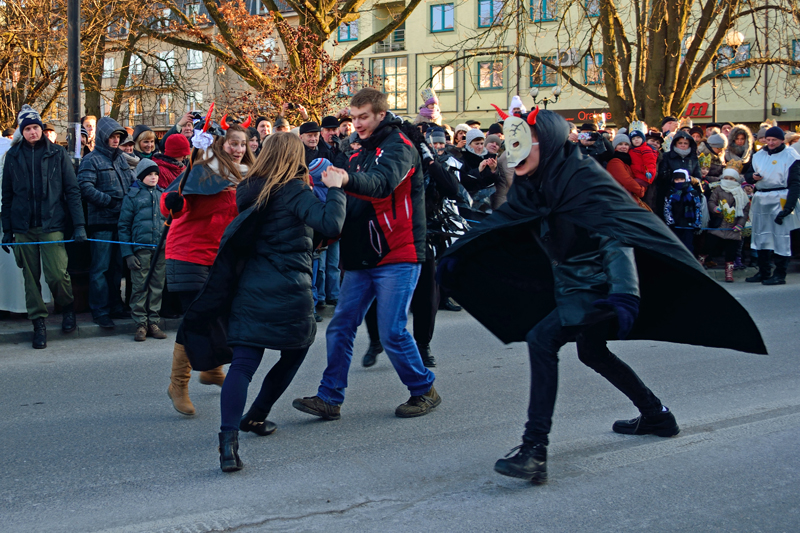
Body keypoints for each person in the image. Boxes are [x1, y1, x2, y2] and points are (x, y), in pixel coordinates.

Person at [436, 106, 766, 485]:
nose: (514, 153)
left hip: (599, 283)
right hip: (573, 279)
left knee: (542, 339)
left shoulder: (581, 177)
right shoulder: (539, 178)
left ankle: (534, 450)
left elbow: (615, 234)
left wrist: (625, 293)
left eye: (524, 144)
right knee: (591, 350)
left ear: (548, 142)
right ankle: (656, 414)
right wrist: (462, 249)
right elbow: (511, 218)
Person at [174, 132, 345, 472]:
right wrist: (336, 188)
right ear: (295, 157)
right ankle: (256, 416)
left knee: (244, 364)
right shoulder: (295, 190)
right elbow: (331, 223)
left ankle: (228, 443)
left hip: (250, 289)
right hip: (289, 289)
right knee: (295, 350)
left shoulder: (248, 189)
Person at [292, 88, 440, 420]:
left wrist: (344, 179)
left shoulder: (400, 146)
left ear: (380, 115)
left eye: (364, 117)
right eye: (353, 117)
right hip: (360, 254)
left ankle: (423, 389)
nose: (357, 124)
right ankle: (330, 398)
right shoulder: (355, 151)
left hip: (398, 252)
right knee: (341, 326)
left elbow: (380, 183)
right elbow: (350, 204)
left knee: (392, 331)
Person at [163, 123, 255, 416]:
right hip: (187, 253)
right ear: (219, 145)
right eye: (232, 144)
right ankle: (178, 383)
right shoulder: (202, 170)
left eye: (242, 144)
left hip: (218, 257)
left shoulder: (244, 177)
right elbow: (171, 204)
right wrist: (172, 203)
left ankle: (212, 369)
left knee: (217, 313)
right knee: (196, 318)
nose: (238, 149)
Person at [362, 124, 462, 368]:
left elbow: (454, 190)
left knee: (427, 295)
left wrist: (429, 160)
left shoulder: (433, 164)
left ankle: (422, 345)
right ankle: (376, 340)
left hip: (423, 236)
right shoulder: (383, 160)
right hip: (386, 236)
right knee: (375, 292)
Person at [1, 105, 86, 348]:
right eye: (27, 129)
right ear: (22, 131)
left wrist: (79, 225)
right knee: (30, 279)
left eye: (35, 127)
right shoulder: (13, 156)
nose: (32, 132)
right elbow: (7, 195)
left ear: (41, 129)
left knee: (58, 274)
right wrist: (8, 230)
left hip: (52, 225)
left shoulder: (57, 154)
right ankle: (38, 323)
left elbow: (72, 191)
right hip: (23, 228)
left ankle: (67, 307)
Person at [78, 117, 135, 328]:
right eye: (112, 136)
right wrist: (109, 201)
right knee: (100, 268)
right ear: (103, 137)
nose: (116, 140)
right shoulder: (91, 160)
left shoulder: (121, 159)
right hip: (101, 222)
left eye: (118, 136)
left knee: (116, 269)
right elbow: (85, 187)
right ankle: (100, 310)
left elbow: (130, 184)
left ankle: (115, 306)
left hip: (120, 222)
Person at [118, 159, 168, 342]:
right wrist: (128, 253)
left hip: (160, 248)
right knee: (140, 285)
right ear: (140, 176)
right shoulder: (132, 197)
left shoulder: (163, 195)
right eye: (149, 174)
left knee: (157, 285)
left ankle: (153, 321)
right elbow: (123, 226)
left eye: (155, 174)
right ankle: (140, 323)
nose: (153, 177)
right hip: (141, 248)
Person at [744, 126, 800, 285]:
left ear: (782, 140)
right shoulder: (759, 155)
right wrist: (752, 177)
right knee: (761, 236)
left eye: (774, 140)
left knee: (781, 237)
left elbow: (795, 183)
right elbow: (747, 175)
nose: (770, 143)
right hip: (761, 198)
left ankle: (780, 274)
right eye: (768, 140)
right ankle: (763, 271)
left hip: (781, 196)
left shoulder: (791, 156)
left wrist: (789, 207)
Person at [704, 166, 750, 282]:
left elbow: (745, 210)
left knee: (731, 252)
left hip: (733, 227)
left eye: (732, 178)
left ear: (736, 180)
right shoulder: (718, 189)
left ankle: (729, 273)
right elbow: (711, 201)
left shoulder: (741, 193)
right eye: (726, 178)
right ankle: (700, 264)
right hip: (718, 225)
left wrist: (740, 224)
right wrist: (715, 209)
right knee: (707, 247)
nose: (729, 180)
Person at [656, 131, 702, 221]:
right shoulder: (667, 156)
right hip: (670, 193)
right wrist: (674, 176)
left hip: (688, 195)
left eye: (685, 143)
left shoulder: (694, 158)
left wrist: (688, 179)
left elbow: (698, 177)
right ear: (675, 143)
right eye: (680, 143)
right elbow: (661, 174)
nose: (683, 145)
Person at [664, 169, 705, 251]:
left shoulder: (693, 193)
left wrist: (697, 223)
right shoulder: (671, 193)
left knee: (688, 246)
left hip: (689, 224)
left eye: (681, 179)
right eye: (677, 180)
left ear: (686, 179)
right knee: (676, 247)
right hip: (676, 224)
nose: (679, 181)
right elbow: (667, 208)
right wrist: (670, 221)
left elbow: (698, 208)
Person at [606, 133, 649, 210]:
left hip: (626, 199)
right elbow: (627, 181)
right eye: (620, 144)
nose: (623, 147)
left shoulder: (627, 161)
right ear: (615, 146)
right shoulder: (615, 161)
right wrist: (640, 190)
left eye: (626, 144)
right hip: (620, 201)